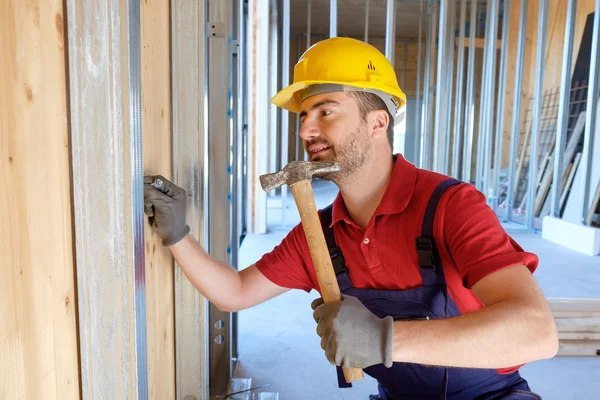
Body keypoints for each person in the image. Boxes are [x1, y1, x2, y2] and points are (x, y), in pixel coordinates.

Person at [143, 37, 558, 399]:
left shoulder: (450, 206)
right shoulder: (320, 233)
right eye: (303, 116)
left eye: (326, 111)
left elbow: (537, 332)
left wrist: (383, 339)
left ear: (378, 122)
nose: (306, 130)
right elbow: (234, 293)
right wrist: (177, 233)